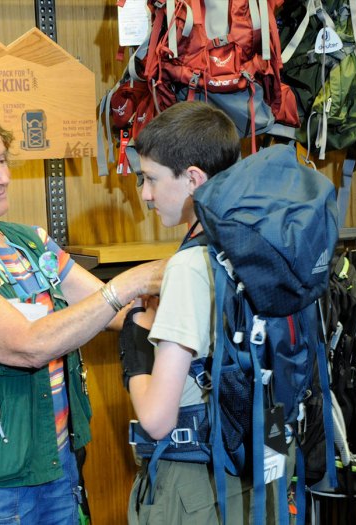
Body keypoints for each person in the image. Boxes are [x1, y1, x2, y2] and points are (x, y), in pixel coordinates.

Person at [0, 106, 165, 525]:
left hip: (54, 464)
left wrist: (173, 297)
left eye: (2, 160)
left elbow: (112, 312)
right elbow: (26, 346)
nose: (3, 177)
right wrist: (130, 283)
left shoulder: (31, 243)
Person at [119, 101, 288, 524]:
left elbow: (157, 420)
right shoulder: (263, 243)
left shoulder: (190, 266)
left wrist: (135, 347)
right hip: (261, 466)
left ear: (193, 178)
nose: (145, 194)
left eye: (151, 179)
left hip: (196, 483)